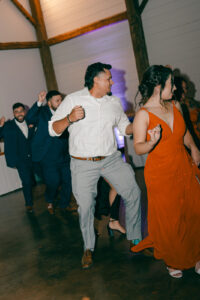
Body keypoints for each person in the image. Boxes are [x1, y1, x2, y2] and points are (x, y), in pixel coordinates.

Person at [49, 62, 141, 269]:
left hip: (111, 159)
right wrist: (69, 119)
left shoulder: (113, 102)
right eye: (108, 78)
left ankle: (136, 238)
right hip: (83, 163)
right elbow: (53, 129)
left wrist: (140, 124)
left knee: (133, 192)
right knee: (86, 207)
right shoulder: (73, 100)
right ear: (96, 80)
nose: (112, 82)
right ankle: (88, 248)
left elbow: (125, 127)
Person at [131, 65, 200, 278]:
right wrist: (151, 142)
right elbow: (138, 147)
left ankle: (196, 255)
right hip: (160, 172)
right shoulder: (142, 115)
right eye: (171, 83)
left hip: (183, 165)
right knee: (170, 218)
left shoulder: (176, 105)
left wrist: (194, 147)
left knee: (193, 211)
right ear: (159, 86)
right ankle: (173, 259)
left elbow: (184, 132)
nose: (176, 88)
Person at [26, 90, 72, 215]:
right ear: (50, 103)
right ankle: (50, 200)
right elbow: (29, 118)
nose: (60, 102)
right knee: (54, 181)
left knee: (69, 180)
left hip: (64, 153)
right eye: (57, 100)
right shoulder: (41, 113)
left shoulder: (66, 113)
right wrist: (39, 102)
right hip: (47, 155)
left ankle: (64, 204)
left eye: (61, 100)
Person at [0, 103, 35, 212]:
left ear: (24, 112)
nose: (19, 113)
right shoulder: (8, 125)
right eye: (16, 111)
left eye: (21, 111)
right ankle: (29, 204)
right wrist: (0, 126)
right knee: (27, 182)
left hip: (35, 157)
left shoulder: (31, 121)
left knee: (48, 176)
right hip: (21, 160)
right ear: (13, 113)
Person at [174, 76, 200, 148]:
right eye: (184, 88)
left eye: (186, 88)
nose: (185, 91)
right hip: (189, 142)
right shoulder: (174, 106)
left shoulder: (189, 102)